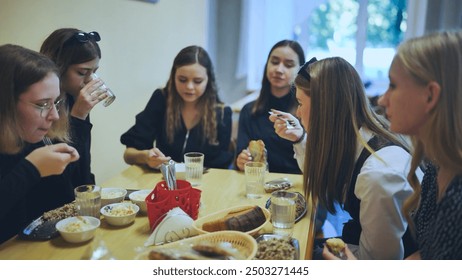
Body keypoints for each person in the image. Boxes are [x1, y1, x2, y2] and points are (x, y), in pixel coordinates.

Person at [295, 56, 422, 259]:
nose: (297, 112)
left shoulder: (378, 176)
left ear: (323, 108)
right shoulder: (359, 138)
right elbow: (321, 176)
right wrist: (298, 140)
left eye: (300, 103)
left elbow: (377, 263)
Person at [377, 31, 462, 260]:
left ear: (430, 95)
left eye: (393, 86)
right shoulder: (435, 166)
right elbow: (425, 257)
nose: (382, 100)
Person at [0, 44, 86, 243]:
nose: (54, 115)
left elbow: (64, 204)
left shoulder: (33, 139)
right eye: (42, 104)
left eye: (56, 102)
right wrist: (31, 169)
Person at [120, 45, 233, 169]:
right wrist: (145, 156)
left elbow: (223, 167)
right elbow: (128, 155)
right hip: (164, 182)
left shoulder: (222, 113)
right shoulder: (161, 99)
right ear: (173, 77)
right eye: (182, 80)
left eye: (198, 81)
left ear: (208, 80)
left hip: (203, 183)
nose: (189, 87)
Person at [40, 28, 106, 184]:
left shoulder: (73, 98)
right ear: (58, 68)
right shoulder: (41, 107)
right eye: (82, 72)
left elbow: (83, 164)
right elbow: (59, 172)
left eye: (94, 71)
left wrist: (92, 194)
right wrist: (78, 116)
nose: (90, 80)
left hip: (77, 198)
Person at [235, 40, 305, 174]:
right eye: (274, 62)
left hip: (296, 185)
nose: (279, 69)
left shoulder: (305, 112)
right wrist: (241, 160)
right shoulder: (249, 111)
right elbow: (240, 155)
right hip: (259, 182)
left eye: (288, 65)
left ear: (299, 70)